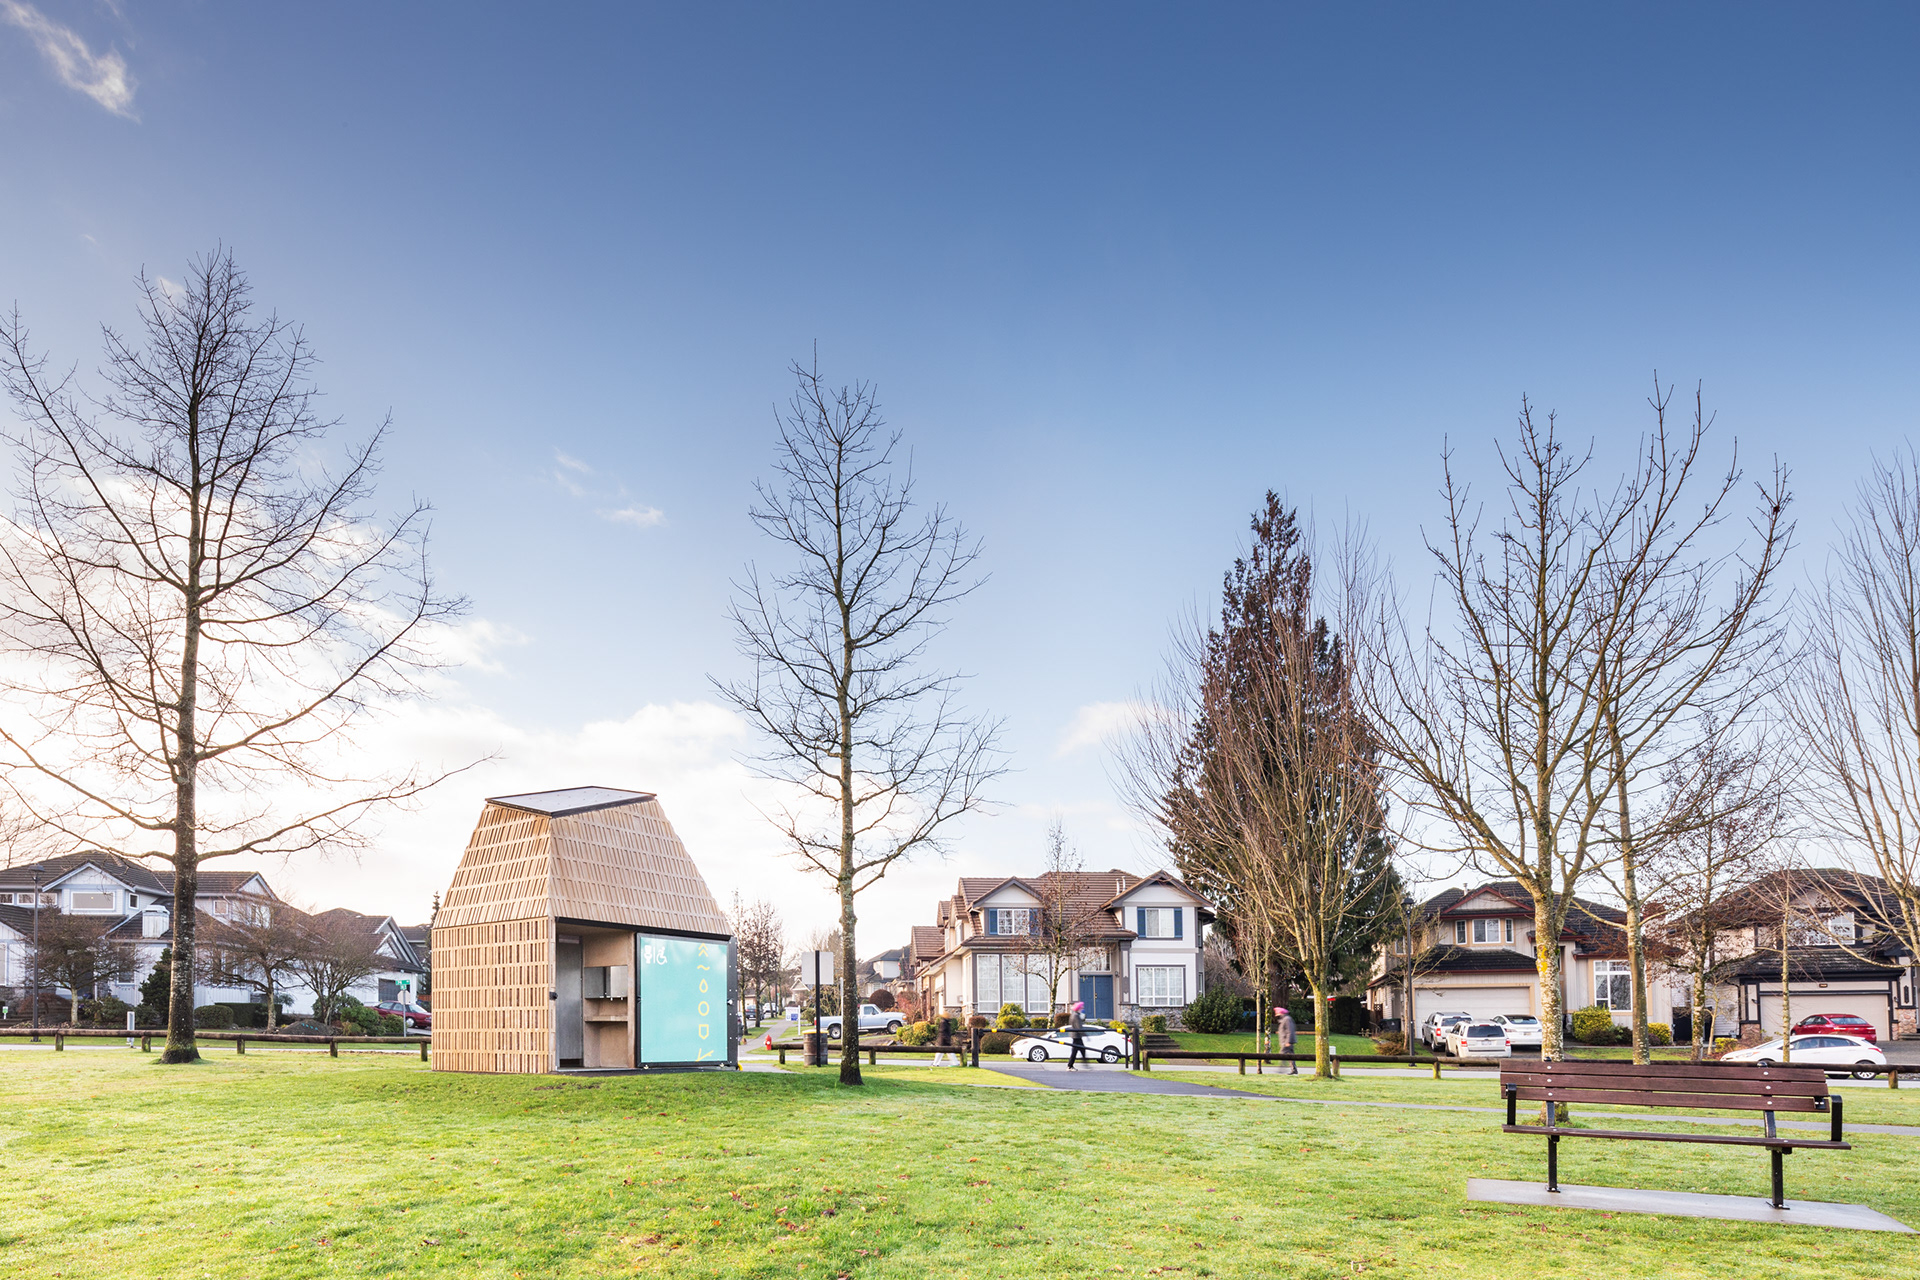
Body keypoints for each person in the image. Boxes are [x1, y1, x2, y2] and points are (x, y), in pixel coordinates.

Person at [1066, 1001, 1090, 1069]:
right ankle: (1070, 1066)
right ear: (1079, 1008)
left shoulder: (1073, 1015)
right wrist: (1085, 1034)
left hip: (1075, 1035)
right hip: (1077, 1036)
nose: (1082, 1008)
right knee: (1077, 1051)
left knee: (1078, 1051)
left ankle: (1071, 1065)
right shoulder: (1076, 1016)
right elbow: (1078, 1027)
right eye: (1082, 1007)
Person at [1279, 1005, 1298, 1074]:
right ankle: (1293, 1069)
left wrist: (1288, 1041)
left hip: (1287, 1042)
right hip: (1285, 1041)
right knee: (1290, 1056)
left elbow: (1290, 1030)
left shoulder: (1287, 1019)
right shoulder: (1284, 1019)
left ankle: (1281, 1069)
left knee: (1282, 1055)